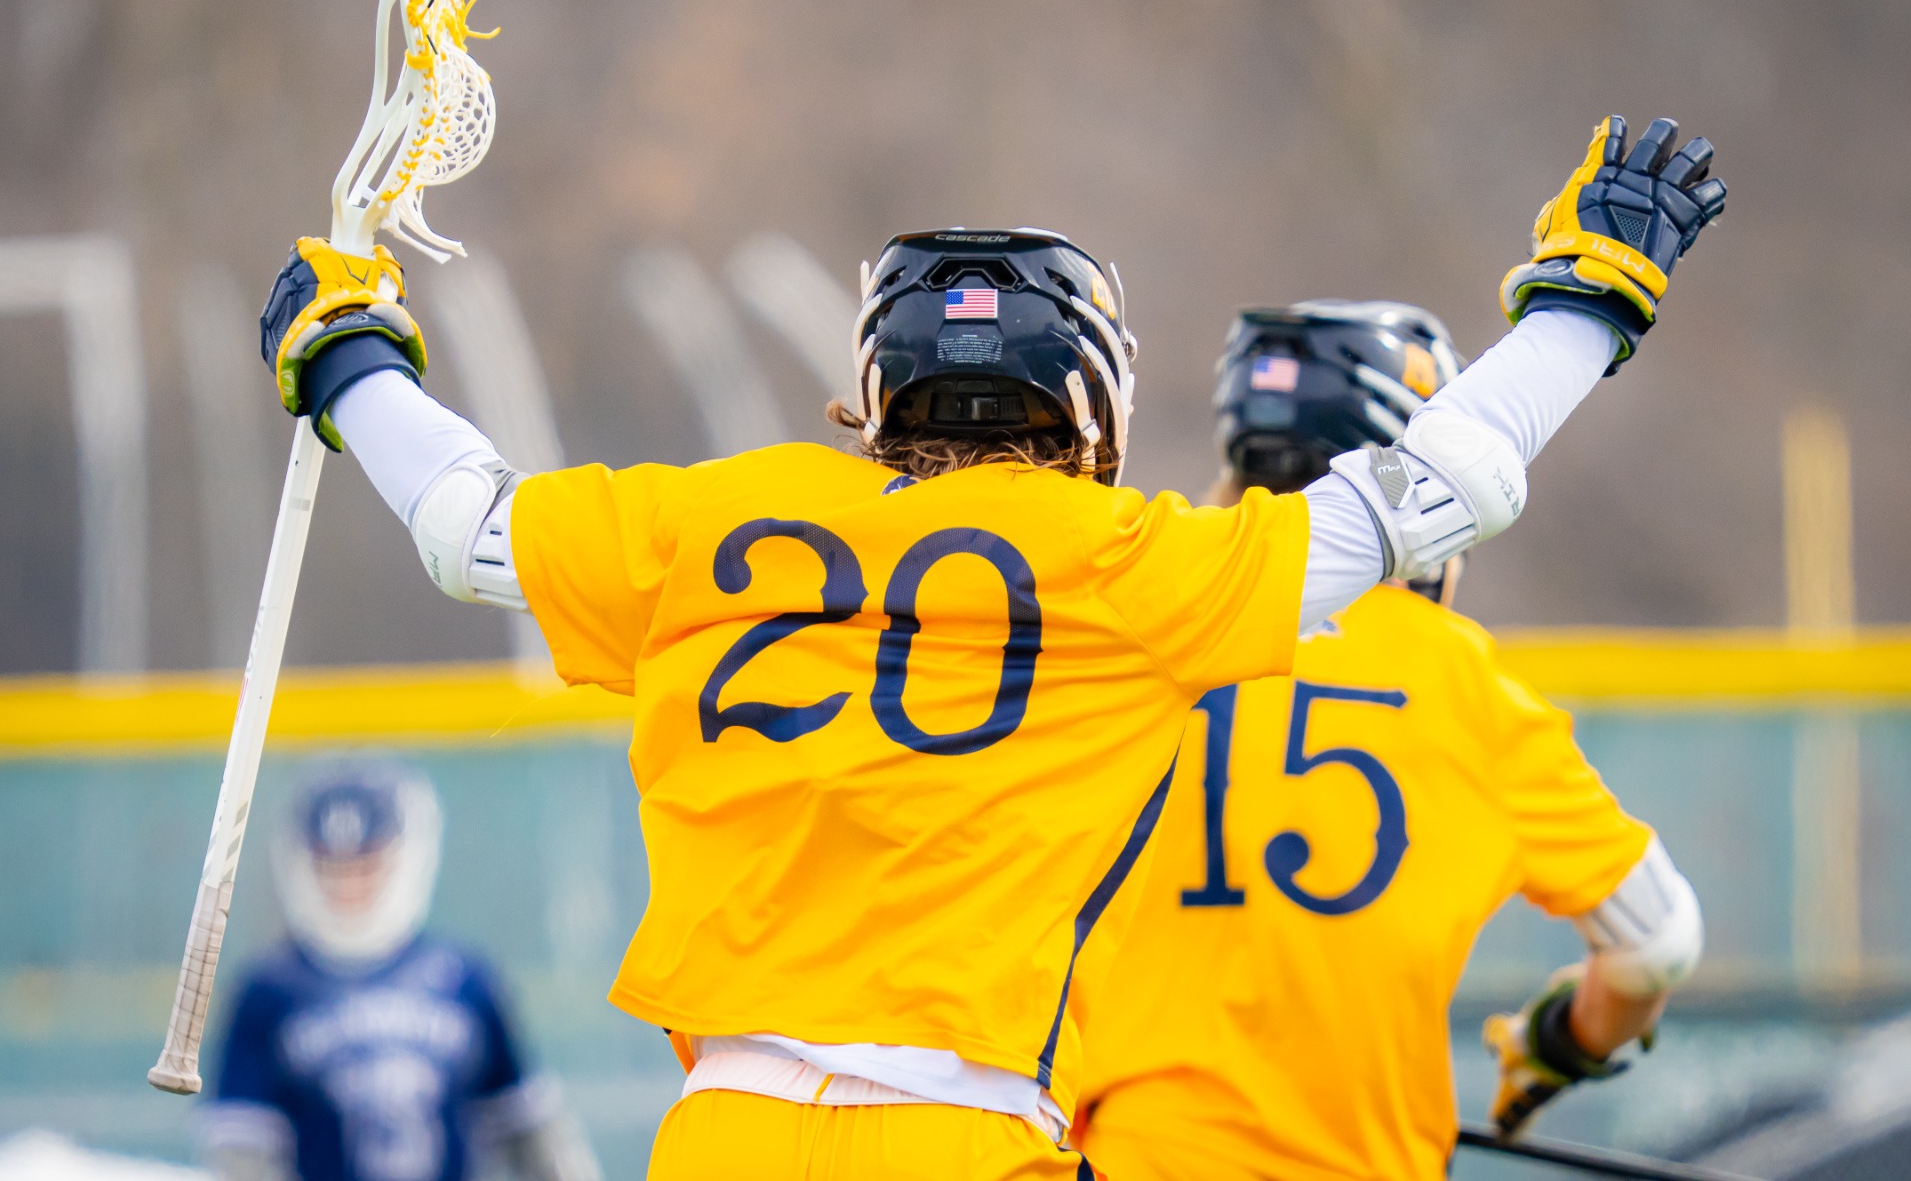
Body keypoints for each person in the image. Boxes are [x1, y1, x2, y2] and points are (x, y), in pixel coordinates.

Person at [249, 115, 1723, 1179]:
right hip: (969, 1134)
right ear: (1095, 399)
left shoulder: (714, 518)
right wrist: (1591, 298)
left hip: (722, 1133)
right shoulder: (1134, 569)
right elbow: (1429, 488)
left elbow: (467, 527)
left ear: (876, 378)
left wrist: (350, 358)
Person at [1068, 299, 1706, 1181]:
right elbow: (1657, 943)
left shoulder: (1133, 633)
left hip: (1132, 1157)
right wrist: (1556, 1044)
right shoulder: (1464, 682)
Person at [198, 758, 597, 1181]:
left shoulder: (466, 981)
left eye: (365, 868)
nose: (348, 887)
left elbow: (530, 1135)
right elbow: (243, 1156)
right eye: (333, 870)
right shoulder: (267, 991)